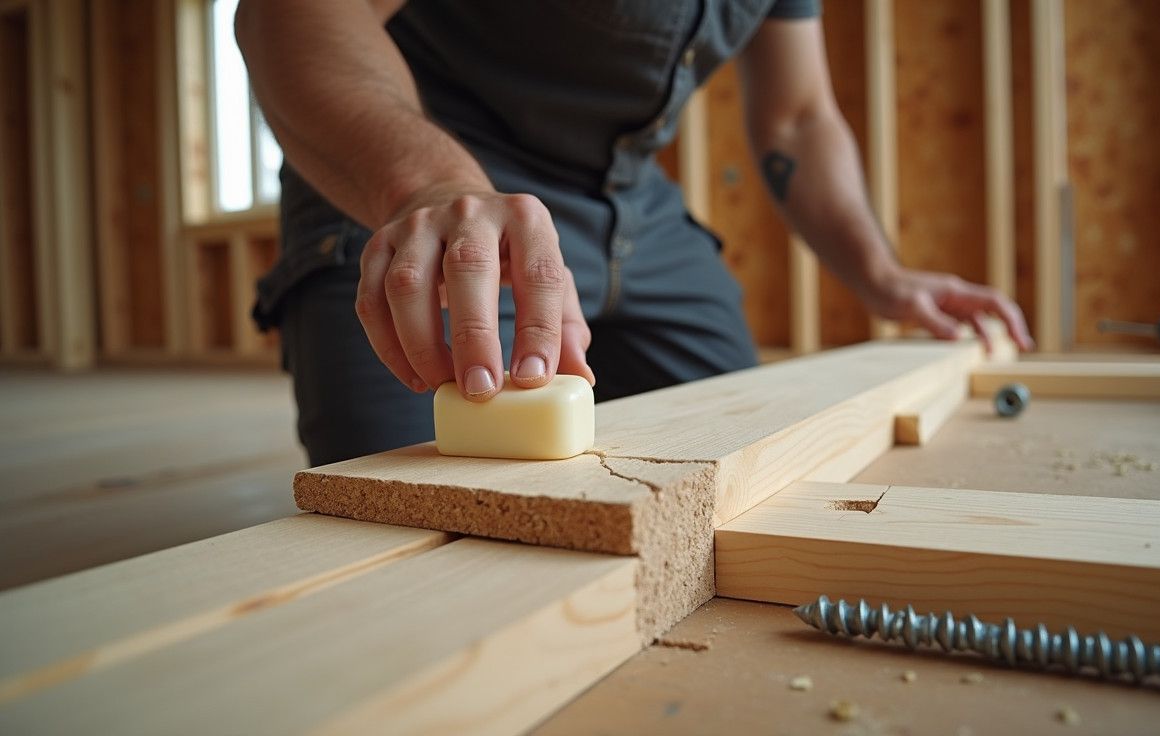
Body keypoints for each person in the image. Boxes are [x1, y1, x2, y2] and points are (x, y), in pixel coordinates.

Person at [237, 0, 1033, 467]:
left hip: (635, 206)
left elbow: (798, 116)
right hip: (431, 182)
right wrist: (429, 185)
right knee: (419, 511)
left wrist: (882, 276)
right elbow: (294, 13)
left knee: (752, 462)